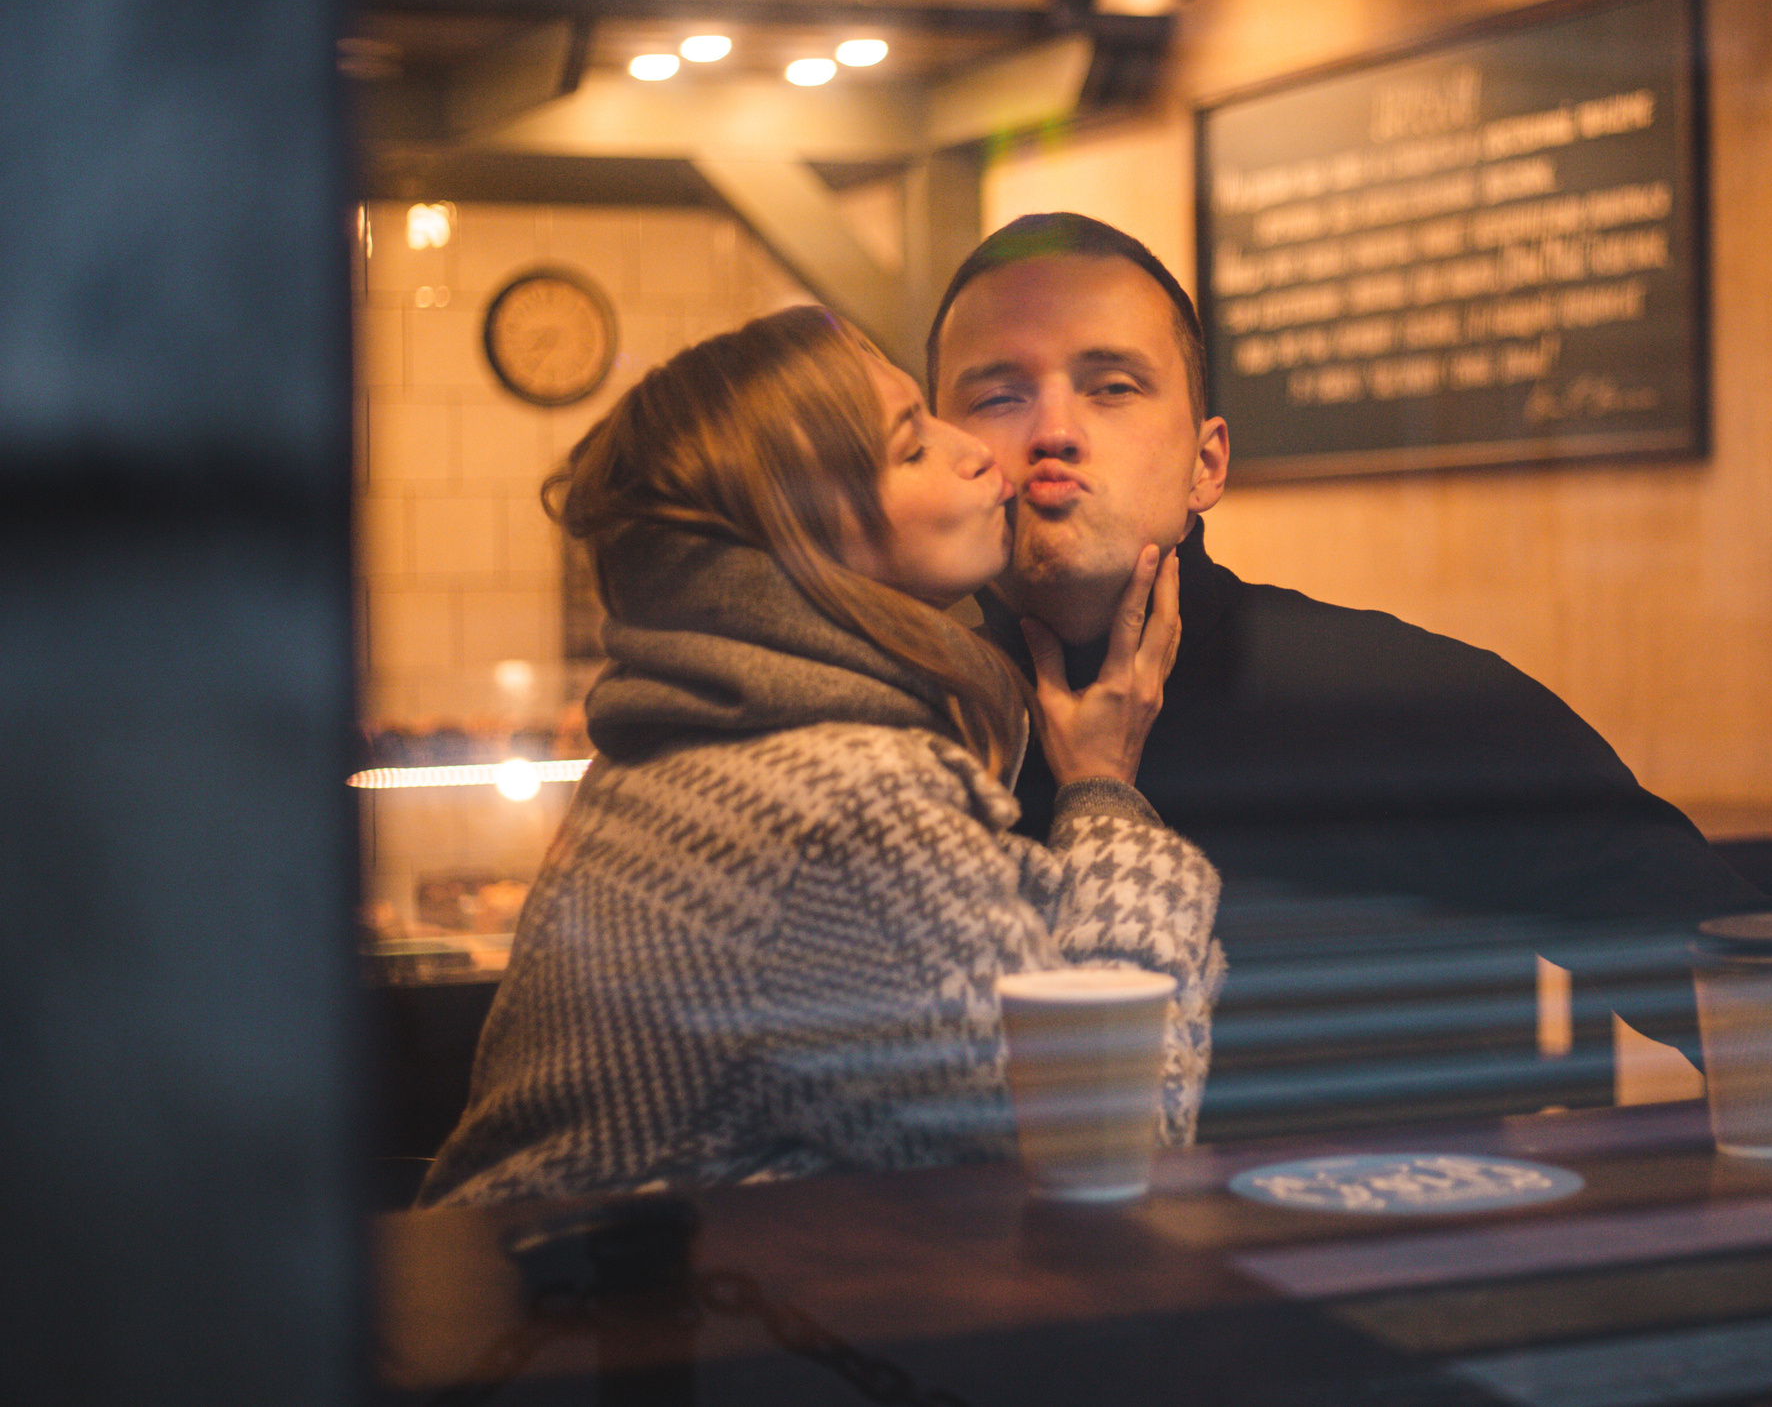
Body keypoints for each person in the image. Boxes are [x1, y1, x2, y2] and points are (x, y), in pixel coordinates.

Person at [928, 213, 1772, 1169]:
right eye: (998, 395)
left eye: (1112, 386)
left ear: (1207, 461)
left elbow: (1689, 935)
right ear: (941, 452)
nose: (1055, 432)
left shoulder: (1403, 703)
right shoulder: (889, 737)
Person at [420, 305, 1219, 1207]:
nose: (978, 452)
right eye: (912, 447)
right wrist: (1106, 800)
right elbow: (1095, 1148)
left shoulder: (692, 748)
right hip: (624, 1297)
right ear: (801, 542)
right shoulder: (853, 802)